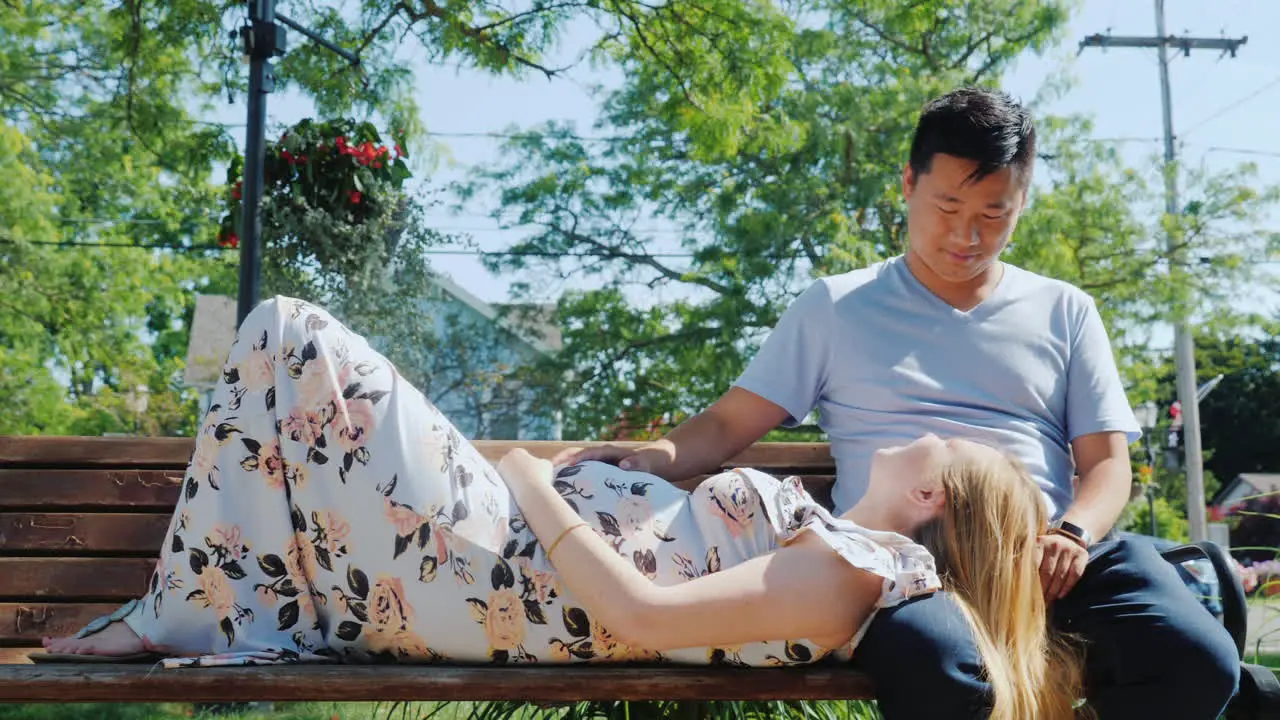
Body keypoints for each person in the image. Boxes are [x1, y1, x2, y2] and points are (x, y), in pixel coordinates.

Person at [37, 293, 1082, 720]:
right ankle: (202, 612)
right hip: (492, 562)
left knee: (283, 332)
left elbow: (642, 618)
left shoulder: (858, 571)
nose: (929, 425)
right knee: (279, 356)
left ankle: (182, 613)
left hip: (500, 572)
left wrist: (535, 481)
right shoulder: (842, 547)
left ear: (934, 492)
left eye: (948, 439)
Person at [551, 87, 1241, 719]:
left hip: (1046, 560)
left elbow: (1107, 466)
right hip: (912, 568)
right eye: (947, 208)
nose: (967, 237)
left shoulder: (1065, 310)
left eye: (993, 214)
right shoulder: (836, 308)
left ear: (1021, 203)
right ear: (908, 185)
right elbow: (732, 422)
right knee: (936, 661)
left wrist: (1074, 534)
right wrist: (656, 456)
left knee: (1201, 661)